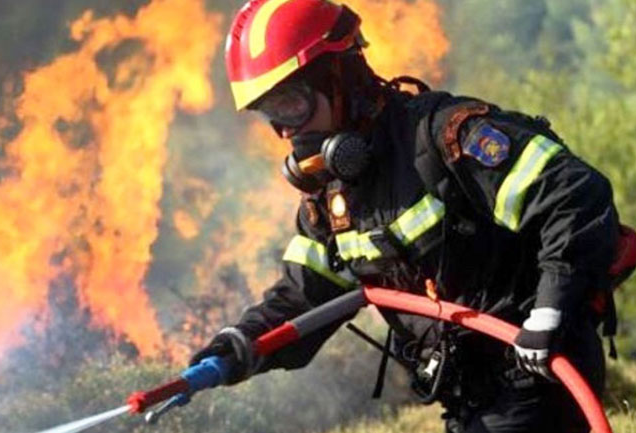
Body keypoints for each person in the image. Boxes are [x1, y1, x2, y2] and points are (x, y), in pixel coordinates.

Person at [191, 0, 627, 431]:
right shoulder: (333, 200)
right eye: (271, 115)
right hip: (468, 394)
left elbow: (573, 196)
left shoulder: (446, 137)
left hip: (536, 370)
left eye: (290, 105)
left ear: (339, 77)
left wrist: (549, 313)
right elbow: (304, 295)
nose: (285, 131)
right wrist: (238, 347)